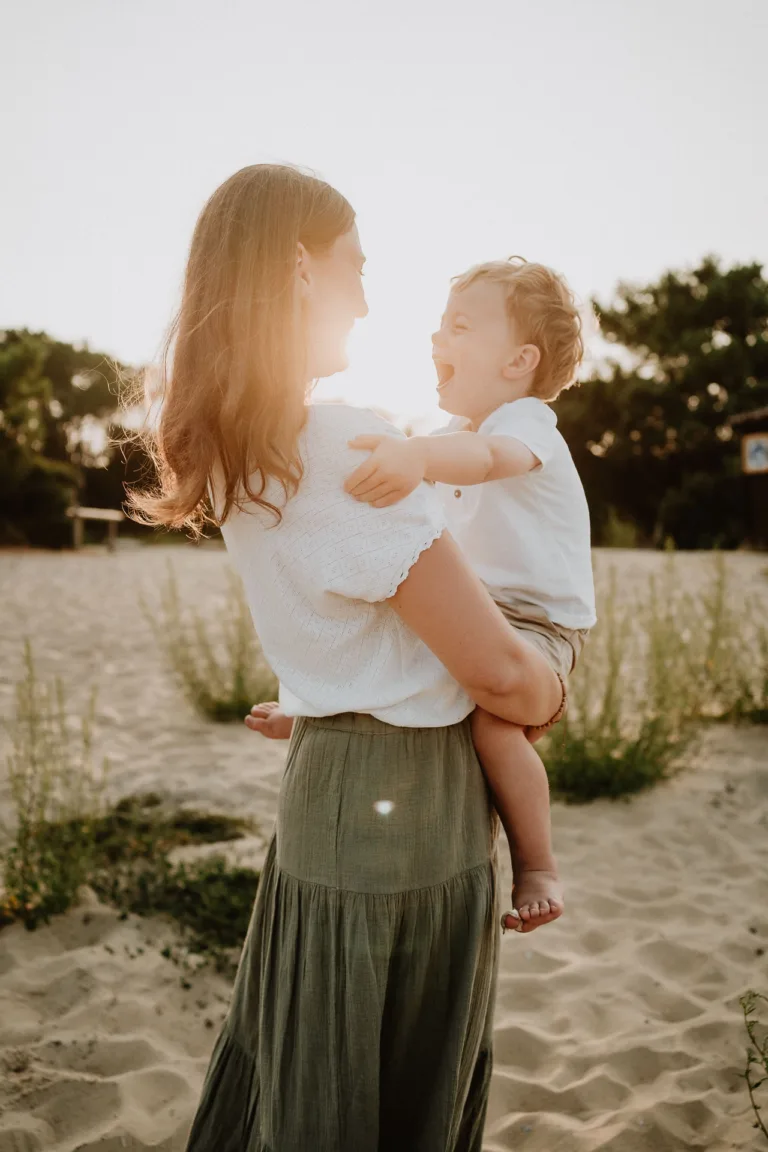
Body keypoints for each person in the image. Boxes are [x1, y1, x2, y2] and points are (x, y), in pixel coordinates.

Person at [127, 164, 563, 1152]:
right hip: (409, 805)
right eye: (354, 267)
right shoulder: (343, 441)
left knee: (306, 1072)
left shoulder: (238, 453)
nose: (369, 298)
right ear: (298, 269)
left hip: (320, 783)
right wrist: (554, 683)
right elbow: (497, 674)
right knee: (395, 1087)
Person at [250, 258, 597, 933]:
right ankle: (322, 712)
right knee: (399, 642)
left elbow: (491, 461)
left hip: (537, 626)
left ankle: (537, 865)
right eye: (439, 326)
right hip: (482, 612)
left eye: (460, 327)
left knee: (494, 727)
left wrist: (417, 462)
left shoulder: (527, 424)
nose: (438, 340)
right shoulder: (447, 439)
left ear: (519, 360)